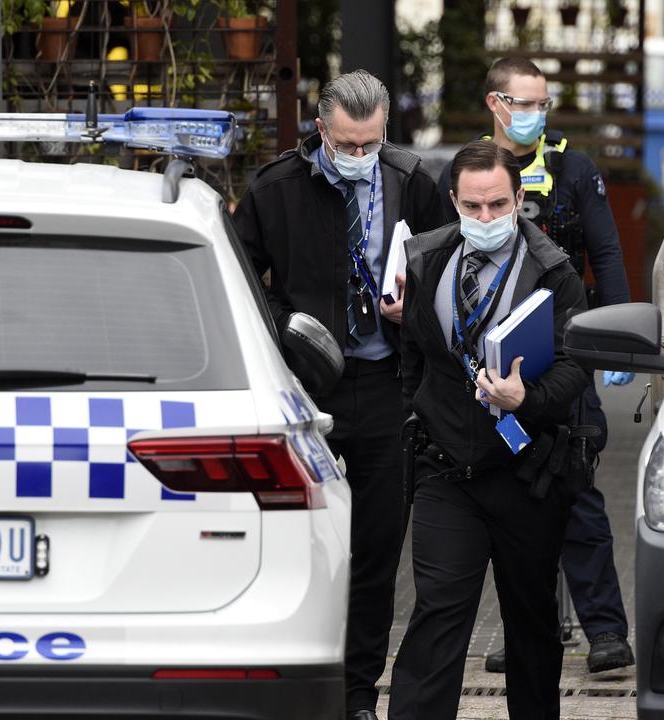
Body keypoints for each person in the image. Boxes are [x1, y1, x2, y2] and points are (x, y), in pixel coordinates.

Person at [232, 69, 442, 720]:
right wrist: (289, 328)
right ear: (320, 129)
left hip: (385, 387)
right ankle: (296, 687)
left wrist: (419, 309)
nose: (358, 157)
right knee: (301, 548)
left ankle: (356, 698)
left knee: (376, 556)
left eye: (370, 144)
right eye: (346, 144)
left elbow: (447, 271)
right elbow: (241, 283)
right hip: (303, 391)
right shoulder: (275, 189)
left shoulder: (413, 183)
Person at [437, 56, 637, 675]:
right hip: (492, 364)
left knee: (575, 491)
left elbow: (604, 253)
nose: (535, 116)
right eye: (524, 104)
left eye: (542, 104)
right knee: (505, 496)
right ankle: (528, 629)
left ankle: (604, 631)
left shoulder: (573, 170)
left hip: (563, 359)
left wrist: (619, 338)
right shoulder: (471, 174)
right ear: (496, 104)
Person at [389, 141, 588, 720]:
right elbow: (414, 354)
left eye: (498, 205)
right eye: (472, 207)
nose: (485, 219)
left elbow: (578, 365)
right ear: (453, 201)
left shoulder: (553, 270)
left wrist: (529, 399)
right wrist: (419, 415)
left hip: (526, 471)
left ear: (519, 198)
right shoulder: (425, 259)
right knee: (437, 617)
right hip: (445, 471)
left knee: (530, 625)